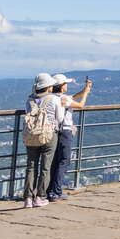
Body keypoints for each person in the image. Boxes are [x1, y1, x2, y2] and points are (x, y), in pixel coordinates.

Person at [46, 73, 92, 202]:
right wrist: (86, 94)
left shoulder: (52, 97)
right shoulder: (63, 99)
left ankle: (49, 190)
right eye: (65, 84)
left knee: (55, 161)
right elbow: (80, 105)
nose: (67, 85)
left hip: (53, 131)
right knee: (64, 161)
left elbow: (72, 97)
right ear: (61, 86)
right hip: (64, 131)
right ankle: (56, 192)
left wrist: (85, 90)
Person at [23, 72, 64, 208]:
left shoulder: (29, 99)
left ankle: (28, 198)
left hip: (31, 136)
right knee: (45, 167)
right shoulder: (53, 99)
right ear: (48, 86)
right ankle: (40, 197)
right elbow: (59, 118)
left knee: (31, 166)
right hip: (48, 134)